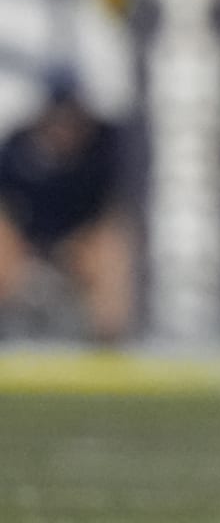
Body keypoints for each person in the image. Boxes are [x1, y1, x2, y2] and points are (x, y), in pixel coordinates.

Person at [0, 78, 129, 343]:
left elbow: (108, 211)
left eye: (71, 121)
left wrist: (74, 246)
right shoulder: (15, 150)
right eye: (58, 120)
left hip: (78, 242)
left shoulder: (102, 152)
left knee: (110, 251)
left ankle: (108, 347)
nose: (64, 129)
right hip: (26, 241)